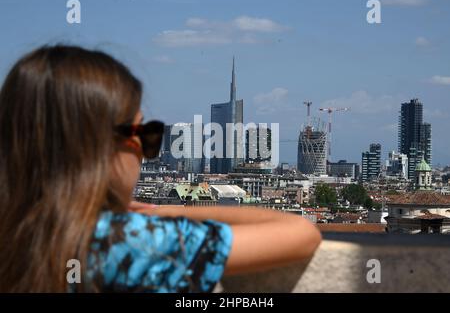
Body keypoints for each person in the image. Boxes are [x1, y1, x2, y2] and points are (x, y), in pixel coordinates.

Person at [0, 45, 321, 292]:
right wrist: (154, 213)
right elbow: (302, 233)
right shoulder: (130, 241)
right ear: (102, 150)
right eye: (143, 134)